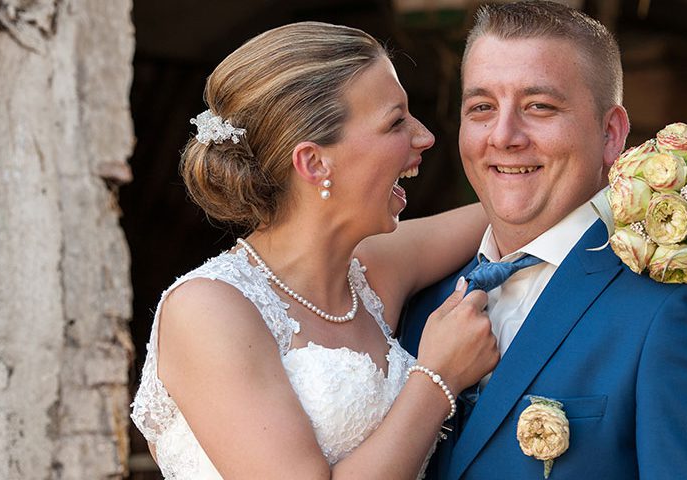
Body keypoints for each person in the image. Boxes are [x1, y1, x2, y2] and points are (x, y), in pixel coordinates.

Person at [399, 2, 687, 478]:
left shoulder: (680, 313)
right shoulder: (419, 306)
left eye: (539, 106)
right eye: (482, 108)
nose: (504, 135)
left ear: (611, 133)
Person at [130, 21, 500, 479]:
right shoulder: (208, 310)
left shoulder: (373, 270)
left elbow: (514, 211)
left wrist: (608, 175)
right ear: (313, 161)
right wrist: (438, 379)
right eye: (396, 122)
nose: (424, 137)